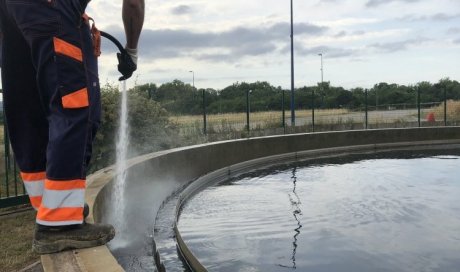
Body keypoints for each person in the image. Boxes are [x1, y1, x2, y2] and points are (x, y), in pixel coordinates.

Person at [0, 0, 144, 254]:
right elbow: (133, 3)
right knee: (75, 106)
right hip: (52, 8)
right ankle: (57, 225)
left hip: (10, 12)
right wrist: (131, 52)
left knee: (29, 105)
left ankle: (55, 207)